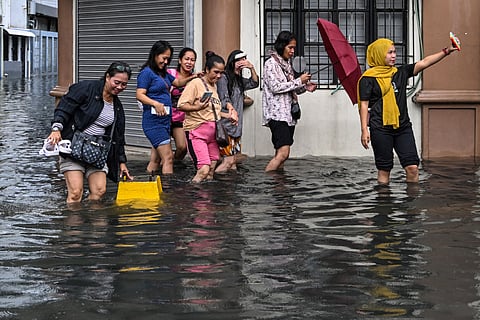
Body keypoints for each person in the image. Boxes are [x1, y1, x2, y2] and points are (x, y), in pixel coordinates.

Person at [357, 38, 459, 185]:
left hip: (402, 127)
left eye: (395, 52)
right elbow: (364, 106)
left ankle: (412, 204)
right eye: (389, 52)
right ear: (379, 54)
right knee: (384, 170)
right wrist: (364, 131)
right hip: (380, 128)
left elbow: (424, 62)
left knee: (412, 168)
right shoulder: (367, 79)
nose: (394, 56)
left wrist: (446, 52)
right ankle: (384, 206)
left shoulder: (401, 72)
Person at [46, 61, 134, 203]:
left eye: (124, 84)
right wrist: (56, 129)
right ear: (107, 77)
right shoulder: (86, 89)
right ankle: (73, 224)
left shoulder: (117, 107)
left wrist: (121, 162)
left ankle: (90, 221)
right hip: (73, 149)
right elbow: (64, 108)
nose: (119, 87)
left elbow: (118, 137)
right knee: (75, 193)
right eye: (116, 82)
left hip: (96, 152)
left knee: (99, 192)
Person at [136, 40, 198, 175]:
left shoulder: (162, 73)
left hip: (165, 121)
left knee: (155, 160)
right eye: (164, 58)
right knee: (168, 157)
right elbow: (139, 94)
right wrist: (155, 103)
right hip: (154, 122)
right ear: (155, 55)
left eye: (168, 59)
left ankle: (150, 184)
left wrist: (193, 77)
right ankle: (168, 190)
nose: (166, 62)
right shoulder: (147, 73)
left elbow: (177, 82)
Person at [178, 51, 238, 183]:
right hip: (196, 133)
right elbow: (181, 105)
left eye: (221, 73)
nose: (219, 76)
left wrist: (229, 116)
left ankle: (206, 201)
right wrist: (196, 107)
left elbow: (213, 112)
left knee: (211, 170)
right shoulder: (195, 84)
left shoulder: (214, 86)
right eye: (216, 72)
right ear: (206, 70)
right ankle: (191, 197)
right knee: (203, 170)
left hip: (213, 136)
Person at [262, 30, 316, 172]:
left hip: (288, 115)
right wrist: (299, 80)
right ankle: (266, 181)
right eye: (290, 48)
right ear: (281, 46)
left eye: (293, 48)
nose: (292, 51)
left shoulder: (287, 65)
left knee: (280, 154)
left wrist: (305, 86)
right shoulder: (271, 64)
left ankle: (278, 186)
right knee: (284, 153)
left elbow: (291, 88)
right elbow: (275, 87)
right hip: (277, 115)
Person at [215, 49, 259, 172]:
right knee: (228, 162)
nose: (242, 62)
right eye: (239, 60)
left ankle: (230, 187)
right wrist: (231, 109)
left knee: (233, 162)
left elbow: (254, 83)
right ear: (232, 62)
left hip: (236, 126)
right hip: (226, 125)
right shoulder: (224, 78)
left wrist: (251, 68)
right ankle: (212, 181)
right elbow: (224, 98)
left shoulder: (239, 79)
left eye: (243, 59)